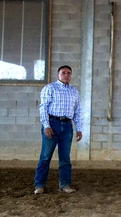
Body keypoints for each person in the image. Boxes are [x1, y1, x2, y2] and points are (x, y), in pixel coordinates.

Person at [33, 65, 82, 194]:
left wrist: (79, 128)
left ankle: (65, 184)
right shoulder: (50, 88)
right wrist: (46, 126)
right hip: (52, 123)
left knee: (65, 157)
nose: (66, 75)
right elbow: (43, 108)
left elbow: (77, 111)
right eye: (63, 73)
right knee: (45, 156)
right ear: (58, 75)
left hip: (67, 125)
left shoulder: (74, 91)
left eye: (68, 73)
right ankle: (39, 185)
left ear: (71, 75)